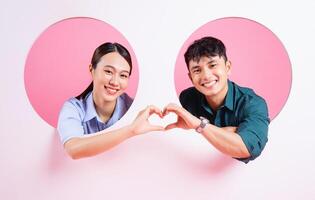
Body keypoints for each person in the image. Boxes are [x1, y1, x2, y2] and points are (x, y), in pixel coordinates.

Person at [163, 36, 270, 163]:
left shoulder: (252, 103)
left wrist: (198, 125)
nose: (206, 76)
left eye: (212, 65)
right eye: (197, 70)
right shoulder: (186, 98)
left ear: (228, 67)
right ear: (191, 78)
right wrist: (231, 134)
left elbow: (247, 148)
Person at [57, 42, 164, 159]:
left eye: (123, 75)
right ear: (92, 70)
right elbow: (73, 149)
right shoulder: (73, 108)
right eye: (108, 72)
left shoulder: (133, 108)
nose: (114, 82)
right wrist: (131, 130)